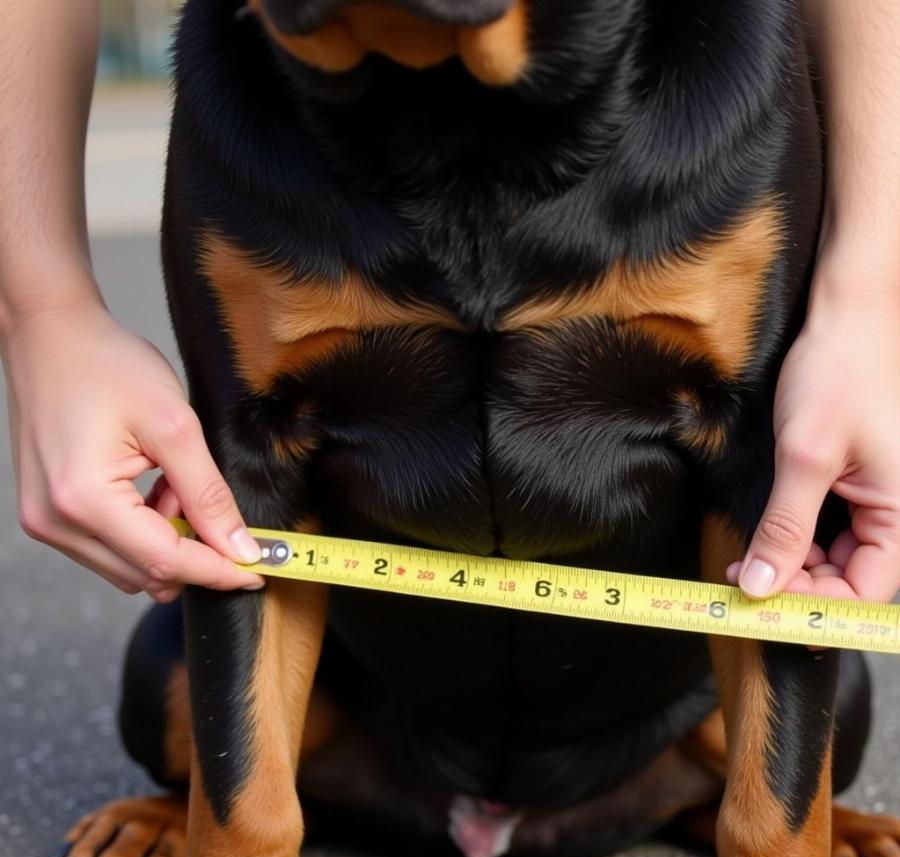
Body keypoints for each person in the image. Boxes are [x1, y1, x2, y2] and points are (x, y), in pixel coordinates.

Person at [0, 0, 897, 607]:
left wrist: (869, 303)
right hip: (367, 704)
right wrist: (43, 313)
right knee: (160, 698)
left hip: (662, 708)